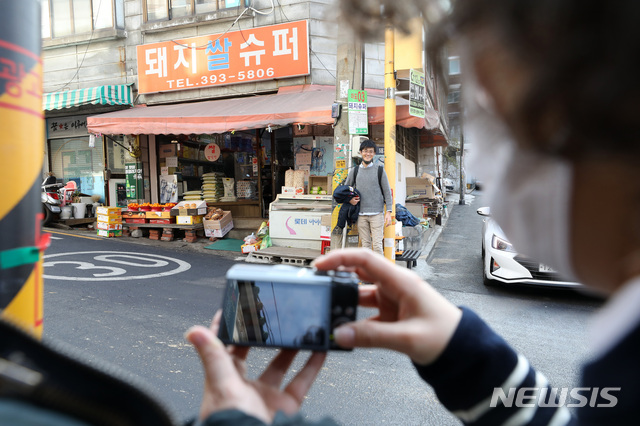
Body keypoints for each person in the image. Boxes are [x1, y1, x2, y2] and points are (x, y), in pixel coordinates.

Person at [184, 0, 640, 425]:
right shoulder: (622, 358)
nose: (483, 165)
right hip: (363, 218)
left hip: (378, 212)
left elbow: (385, 191)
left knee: (369, 248)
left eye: (504, 122)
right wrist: (459, 348)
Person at [342, 139, 393, 255]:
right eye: (365, 151)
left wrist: (388, 211)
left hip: (377, 214)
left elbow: (387, 192)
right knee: (366, 246)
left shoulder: (380, 171)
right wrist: (350, 200)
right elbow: (345, 190)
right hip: (360, 214)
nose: (368, 154)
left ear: (374, 154)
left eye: (370, 151)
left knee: (378, 246)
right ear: (360, 152)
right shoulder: (354, 171)